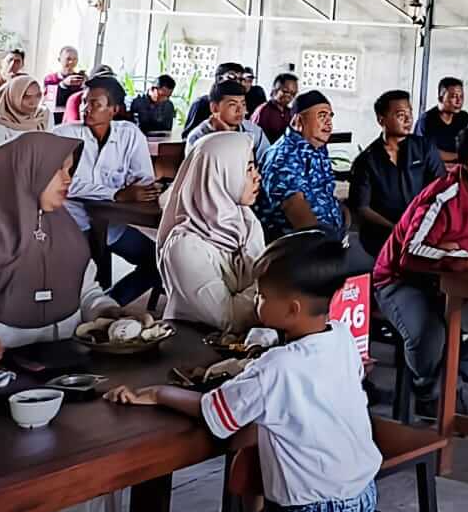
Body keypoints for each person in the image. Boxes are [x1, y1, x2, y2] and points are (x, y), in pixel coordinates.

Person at [0, 131, 133, 512]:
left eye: (70, 171)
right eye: (59, 172)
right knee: (23, 494)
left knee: (86, 481)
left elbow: (86, 290)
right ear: (27, 173)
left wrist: (109, 312)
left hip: (70, 384)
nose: (68, 180)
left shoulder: (68, 231)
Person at [108, 233, 382, 512]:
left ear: (293, 309)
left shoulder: (277, 367)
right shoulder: (341, 336)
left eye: (262, 295)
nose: (256, 300)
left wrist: (159, 394)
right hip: (362, 497)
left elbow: (212, 410)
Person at [373, 123, 468, 420]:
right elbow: (411, 253)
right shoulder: (443, 195)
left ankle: (451, 379)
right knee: (430, 334)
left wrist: (454, 249)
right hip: (402, 279)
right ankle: (426, 390)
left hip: (453, 276)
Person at [55, 76, 162, 307]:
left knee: (162, 261)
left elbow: (143, 181)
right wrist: (117, 194)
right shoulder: (64, 135)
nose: (86, 108)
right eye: (84, 102)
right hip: (72, 223)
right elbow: (64, 184)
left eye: (95, 103)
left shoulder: (129, 135)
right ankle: (93, 307)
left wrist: (134, 191)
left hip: (112, 224)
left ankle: (111, 303)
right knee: (87, 274)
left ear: (114, 109)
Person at [155, 131, 266, 332]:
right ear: (220, 174)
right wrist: (273, 285)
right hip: (197, 348)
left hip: (246, 343)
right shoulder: (184, 247)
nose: (257, 176)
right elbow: (228, 318)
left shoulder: (246, 220)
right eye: (248, 169)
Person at [351, 90, 445, 257]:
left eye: (410, 113)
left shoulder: (425, 148)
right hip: (382, 237)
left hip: (423, 230)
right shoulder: (366, 160)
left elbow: (440, 188)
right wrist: (396, 229)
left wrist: (423, 224)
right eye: (401, 115)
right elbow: (362, 207)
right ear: (381, 120)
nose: (409, 119)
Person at [257, 90, 344, 242]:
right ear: (298, 121)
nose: (329, 122)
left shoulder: (317, 148)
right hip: (299, 249)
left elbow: (326, 193)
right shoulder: (283, 155)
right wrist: (326, 247)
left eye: (330, 116)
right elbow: (294, 208)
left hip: (328, 239)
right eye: (322, 116)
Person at [186, 79, 270, 156]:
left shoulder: (254, 131)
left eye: (243, 104)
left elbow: (267, 163)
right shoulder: (197, 136)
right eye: (232, 104)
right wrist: (225, 136)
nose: (240, 110)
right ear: (214, 108)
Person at [0, 74, 49, 152]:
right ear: (13, 98)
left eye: (38, 95)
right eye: (27, 97)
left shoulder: (42, 117)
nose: (34, 102)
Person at [182, 62, 245, 138]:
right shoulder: (201, 103)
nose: (238, 82)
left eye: (241, 79)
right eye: (232, 77)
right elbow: (187, 137)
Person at [414, 76, 468, 163]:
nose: (459, 101)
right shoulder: (426, 120)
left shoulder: (463, 117)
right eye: (454, 96)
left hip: (458, 168)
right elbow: (427, 153)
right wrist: (459, 156)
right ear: (440, 98)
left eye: (461, 96)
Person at [253, 72, 300, 143]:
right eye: (285, 91)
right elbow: (255, 139)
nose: (289, 96)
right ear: (274, 90)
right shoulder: (263, 111)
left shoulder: (290, 112)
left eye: (293, 93)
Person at [43, 44, 86, 111]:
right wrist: (63, 84)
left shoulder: (80, 79)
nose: (71, 62)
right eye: (68, 59)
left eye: (75, 59)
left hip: (74, 116)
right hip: (55, 117)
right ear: (59, 59)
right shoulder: (50, 79)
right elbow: (50, 102)